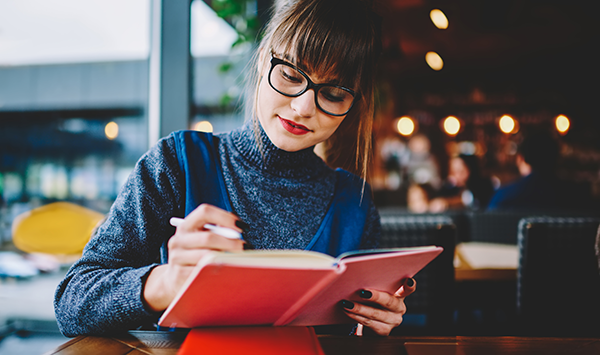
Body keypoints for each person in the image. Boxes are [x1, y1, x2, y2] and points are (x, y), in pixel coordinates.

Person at [54, 0, 416, 337]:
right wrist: (166, 283)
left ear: (353, 103)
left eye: (333, 94)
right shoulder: (178, 163)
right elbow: (72, 302)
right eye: (291, 75)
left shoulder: (355, 203)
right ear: (263, 60)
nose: (304, 107)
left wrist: (374, 320)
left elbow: (354, 332)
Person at [487, 130, 591, 210]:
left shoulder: (503, 197)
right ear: (557, 159)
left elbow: (488, 227)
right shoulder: (577, 195)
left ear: (521, 158)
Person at [429, 154, 494, 212]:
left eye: (460, 171)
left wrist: (448, 203)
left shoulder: (484, 185)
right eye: (452, 172)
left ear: (471, 169)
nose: (456, 175)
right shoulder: (448, 188)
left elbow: (469, 199)